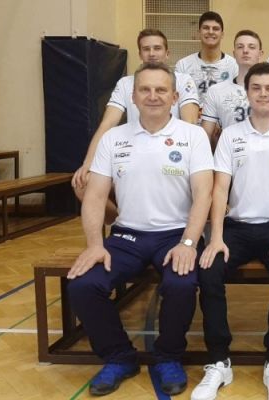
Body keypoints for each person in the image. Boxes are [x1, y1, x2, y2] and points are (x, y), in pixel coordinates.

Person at [66, 62, 214, 397]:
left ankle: (168, 356)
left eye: (161, 90)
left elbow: (204, 194)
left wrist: (189, 243)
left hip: (176, 235)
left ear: (175, 97)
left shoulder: (193, 136)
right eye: (145, 89)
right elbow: (95, 196)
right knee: (83, 285)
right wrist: (94, 244)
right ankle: (120, 357)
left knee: (181, 284)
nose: (153, 96)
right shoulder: (113, 139)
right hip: (126, 237)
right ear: (133, 97)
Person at [191, 62, 269, 400]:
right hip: (236, 229)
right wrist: (215, 237)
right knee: (208, 270)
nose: (263, 94)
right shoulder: (231, 135)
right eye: (256, 88)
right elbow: (219, 190)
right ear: (247, 93)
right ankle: (219, 360)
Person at [70, 29, 199, 221]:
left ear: (167, 53)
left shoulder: (183, 80)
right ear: (139, 54)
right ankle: (123, 220)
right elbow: (107, 123)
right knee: (83, 184)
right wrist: (88, 163)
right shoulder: (125, 84)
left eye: (157, 48)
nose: (152, 53)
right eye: (146, 49)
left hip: (171, 154)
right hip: (132, 155)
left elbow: (190, 122)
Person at [201, 30, 269, 147]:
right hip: (231, 152)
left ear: (260, 53)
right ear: (234, 53)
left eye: (251, 47)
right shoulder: (216, 91)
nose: (245, 51)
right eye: (240, 47)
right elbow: (205, 136)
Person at [175, 11, 238, 106]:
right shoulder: (183, 65)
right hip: (191, 115)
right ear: (199, 33)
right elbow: (176, 100)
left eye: (215, 29)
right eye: (206, 28)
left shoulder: (234, 66)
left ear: (222, 34)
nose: (211, 32)